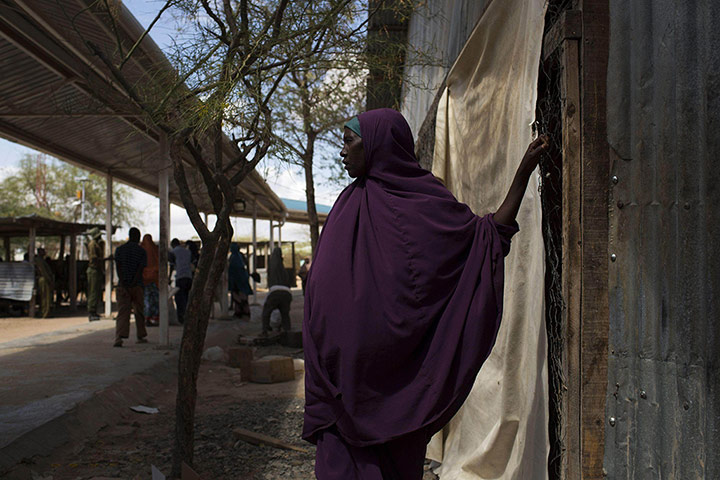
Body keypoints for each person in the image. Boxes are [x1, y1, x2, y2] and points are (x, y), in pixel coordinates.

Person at [302, 109, 548, 479]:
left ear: (377, 143)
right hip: (341, 390)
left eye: (349, 141)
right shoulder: (347, 204)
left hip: (399, 388)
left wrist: (523, 173)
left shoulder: (426, 201)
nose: (342, 152)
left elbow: (487, 240)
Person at [113, 227, 148, 347]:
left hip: (123, 285)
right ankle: (141, 335)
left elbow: (118, 267)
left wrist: (123, 282)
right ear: (138, 237)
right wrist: (133, 282)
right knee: (139, 311)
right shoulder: (141, 251)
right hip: (137, 285)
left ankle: (119, 337)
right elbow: (140, 269)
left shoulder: (119, 250)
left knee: (123, 311)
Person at [261, 247, 292, 335]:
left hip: (275, 291)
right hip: (287, 293)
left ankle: (265, 330)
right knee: (285, 314)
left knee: (266, 312)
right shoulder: (283, 268)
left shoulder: (272, 265)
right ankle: (287, 331)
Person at [170, 238, 192, 324]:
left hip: (180, 277)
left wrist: (168, 278)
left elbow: (172, 266)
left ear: (173, 245)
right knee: (186, 298)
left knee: (179, 299)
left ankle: (181, 318)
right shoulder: (187, 251)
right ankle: (188, 317)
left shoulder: (173, 252)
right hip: (189, 277)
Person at [228, 243, 252, 318]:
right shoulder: (240, 256)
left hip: (237, 281)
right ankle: (242, 311)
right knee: (241, 296)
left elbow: (232, 269)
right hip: (242, 280)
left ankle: (242, 311)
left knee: (238, 296)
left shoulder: (233, 257)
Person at [85, 227, 104, 321]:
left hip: (97, 270)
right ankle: (91, 312)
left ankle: (94, 311)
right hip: (93, 270)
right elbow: (94, 258)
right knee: (93, 291)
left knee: (96, 291)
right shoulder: (92, 244)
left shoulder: (98, 244)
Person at [141, 234, 160, 326]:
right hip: (155, 278)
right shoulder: (155, 249)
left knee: (147, 299)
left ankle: (146, 317)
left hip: (145, 278)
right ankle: (154, 317)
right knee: (155, 299)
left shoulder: (142, 249)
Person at [34, 247, 54, 318]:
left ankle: (45, 312)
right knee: (45, 297)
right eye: (43, 251)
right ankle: (44, 313)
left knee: (46, 297)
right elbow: (43, 272)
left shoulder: (41, 260)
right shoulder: (39, 260)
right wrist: (49, 280)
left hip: (44, 279)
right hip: (44, 280)